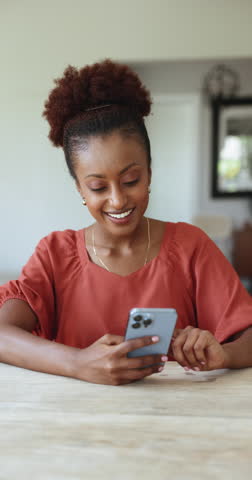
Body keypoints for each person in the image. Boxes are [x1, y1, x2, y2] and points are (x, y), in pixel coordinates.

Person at [0, 59, 252, 386]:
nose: (118, 200)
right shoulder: (54, 255)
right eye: (98, 187)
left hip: (175, 426)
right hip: (70, 427)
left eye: (131, 179)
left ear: (149, 171)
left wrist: (223, 353)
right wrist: (77, 363)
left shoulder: (191, 247)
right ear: (79, 187)